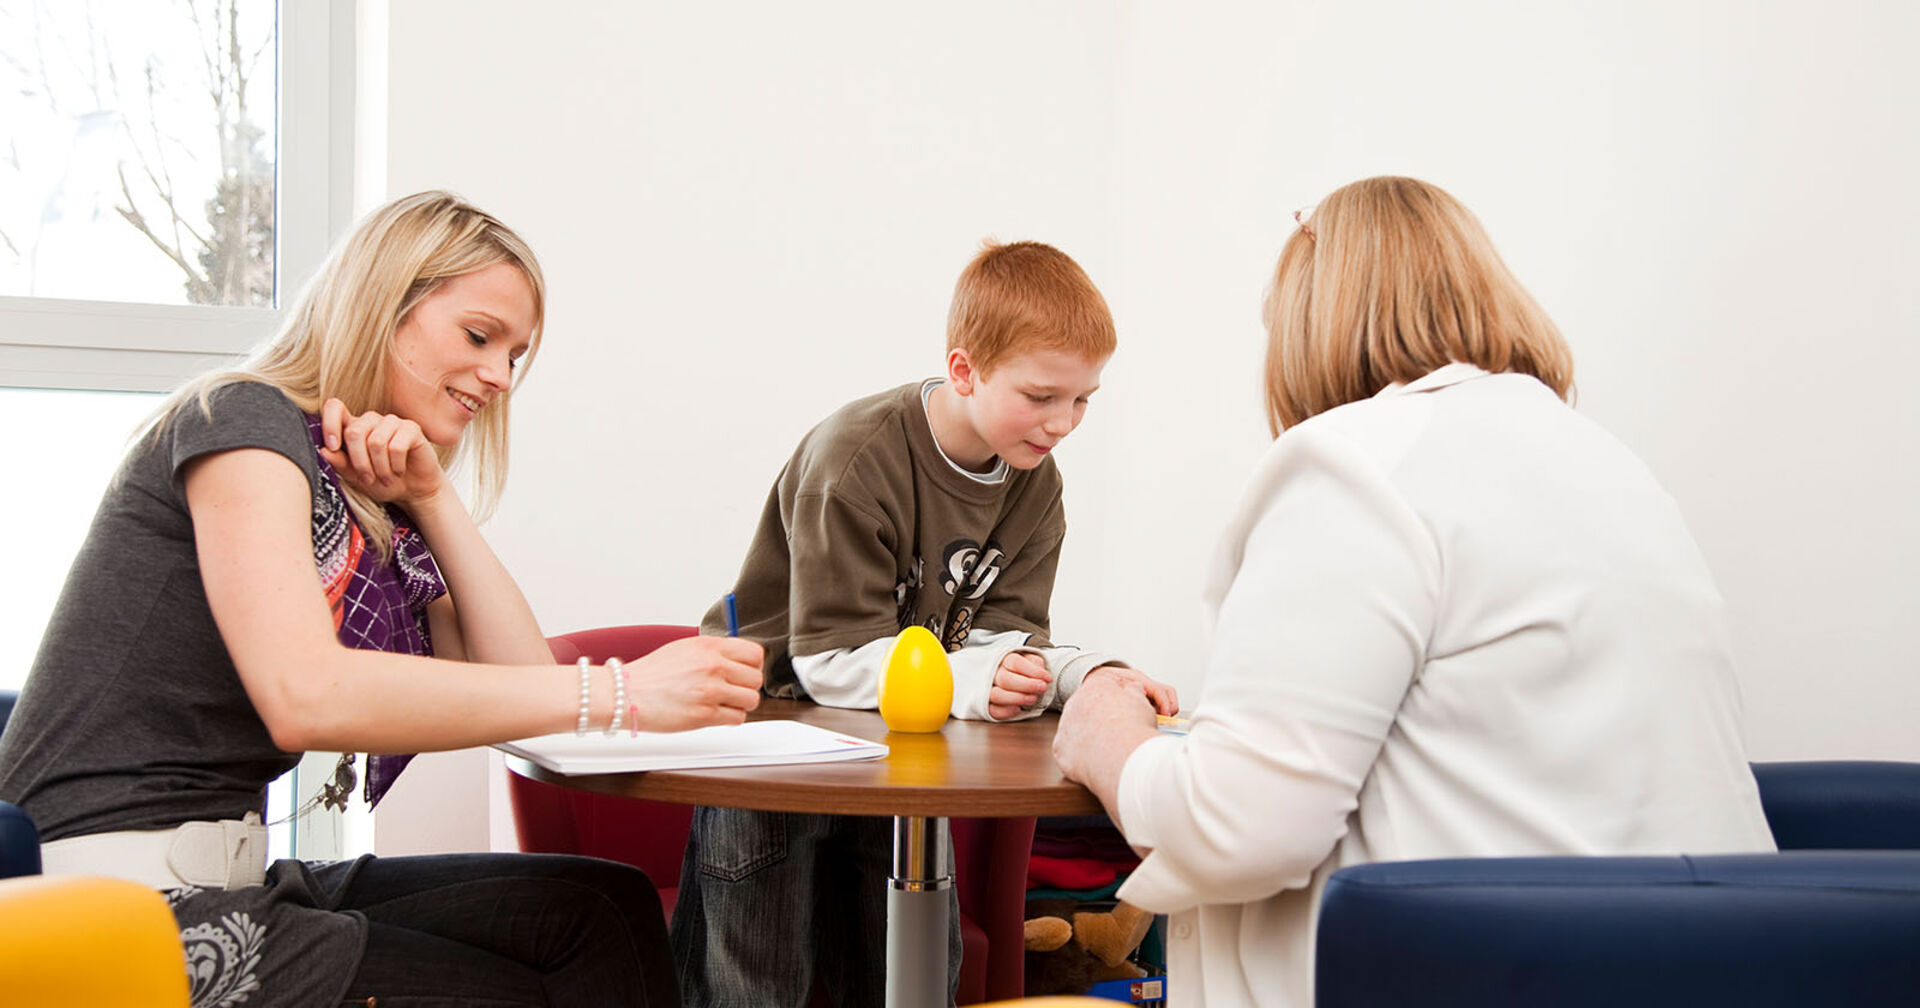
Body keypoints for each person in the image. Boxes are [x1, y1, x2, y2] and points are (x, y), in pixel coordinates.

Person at [0, 191, 765, 1008]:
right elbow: (304, 695)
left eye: (517, 356)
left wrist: (435, 501)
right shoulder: (240, 421)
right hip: (106, 903)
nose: (500, 377)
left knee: (599, 909)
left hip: (236, 874)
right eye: (480, 337)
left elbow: (525, 688)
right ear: (383, 304)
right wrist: (625, 690)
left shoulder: (371, 491)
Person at [1050, 176, 1777, 1007]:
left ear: (1312, 322)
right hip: (1686, 969)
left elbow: (1237, 827)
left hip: (1471, 971)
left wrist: (1109, 738)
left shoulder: (1356, 465)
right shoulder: (1608, 464)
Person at [670, 239, 1178, 1008]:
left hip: (900, 744)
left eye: (1083, 400)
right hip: (771, 737)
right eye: (1042, 396)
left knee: (904, 972)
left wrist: (1084, 675)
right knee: (758, 980)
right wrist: (975, 676)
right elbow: (828, 659)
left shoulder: (1035, 483)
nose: (1064, 423)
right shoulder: (855, 458)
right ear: (966, 370)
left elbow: (1005, 639)